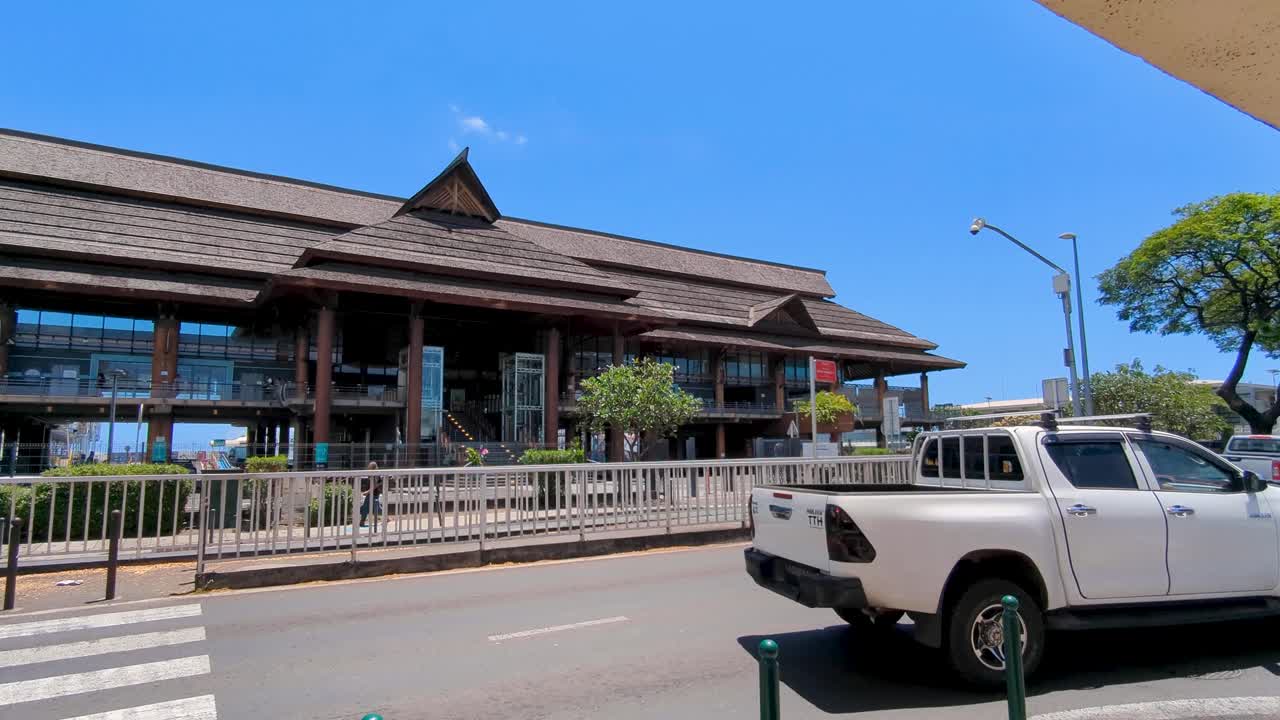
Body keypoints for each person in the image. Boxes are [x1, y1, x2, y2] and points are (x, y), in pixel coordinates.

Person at [359, 461, 383, 530]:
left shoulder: (375, 474)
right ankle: (386, 517)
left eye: (369, 467)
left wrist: (368, 491)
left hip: (373, 493)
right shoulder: (372, 474)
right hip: (373, 493)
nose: (368, 468)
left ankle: (362, 521)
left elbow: (375, 485)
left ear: (372, 468)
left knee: (366, 507)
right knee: (376, 508)